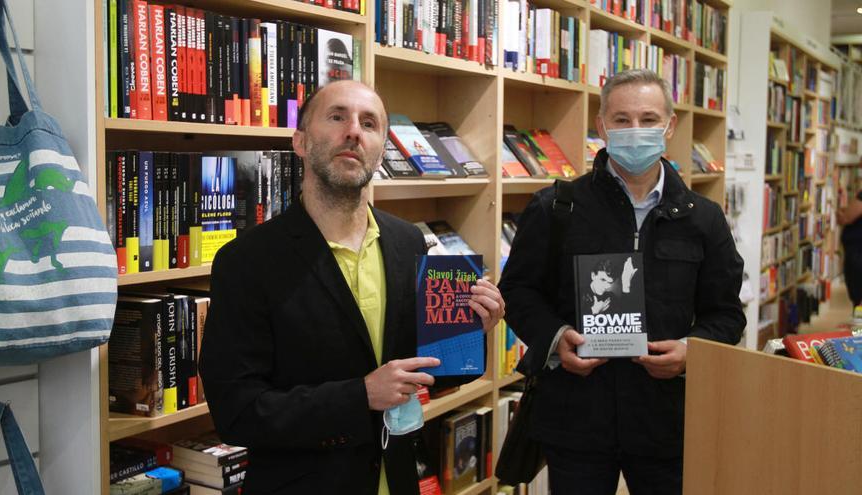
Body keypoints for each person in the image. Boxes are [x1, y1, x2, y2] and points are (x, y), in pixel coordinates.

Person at [199, 80, 504, 495]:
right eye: (337, 117)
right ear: (301, 142)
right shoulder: (246, 261)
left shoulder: (406, 242)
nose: (354, 131)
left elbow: (416, 375)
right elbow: (237, 413)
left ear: (381, 150)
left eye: (369, 123)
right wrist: (359, 396)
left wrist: (465, 332)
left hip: (395, 480)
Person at [498, 69, 745, 495]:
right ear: (601, 127)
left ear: (669, 125)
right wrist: (555, 338)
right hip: (576, 418)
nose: (635, 131)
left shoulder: (703, 218)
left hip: (666, 422)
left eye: (648, 120)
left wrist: (690, 352)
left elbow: (725, 314)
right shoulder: (557, 206)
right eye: (622, 119)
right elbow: (518, 291)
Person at [837, 187, 862, 307]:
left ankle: (859, 326)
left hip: (858, 253)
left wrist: (839, 212)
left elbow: (845, 218)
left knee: (859, 300)